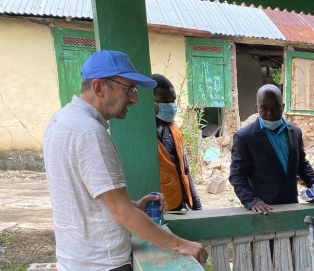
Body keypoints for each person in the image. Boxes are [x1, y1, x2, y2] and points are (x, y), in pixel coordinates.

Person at [43, 50, 207, 271]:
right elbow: (120, 212)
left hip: (75, 260)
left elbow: (87, 196)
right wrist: (180, 245)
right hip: (103, 263)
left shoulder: (61, 120)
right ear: (99, 87)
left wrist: (136, 206)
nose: (135, 99)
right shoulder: (90, 133)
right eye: (129, 88)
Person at [229, 84, 314, 215]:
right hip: (263, 212)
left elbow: (301, 165)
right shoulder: (245, 137)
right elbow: (237, 176)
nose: (270, 113)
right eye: (264, 108)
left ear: (283, 107)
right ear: (257, 108)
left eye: (275, 107)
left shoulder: (295, 132)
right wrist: (251, 201)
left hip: (291, 207)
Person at [152, 74, 202, 211]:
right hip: (162, 207)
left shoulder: (174, 130)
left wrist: (196, 201)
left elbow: (184, 168)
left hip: (182, 204)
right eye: (163, 100)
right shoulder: (145, 136)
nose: (170, 105)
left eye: (172, 101)